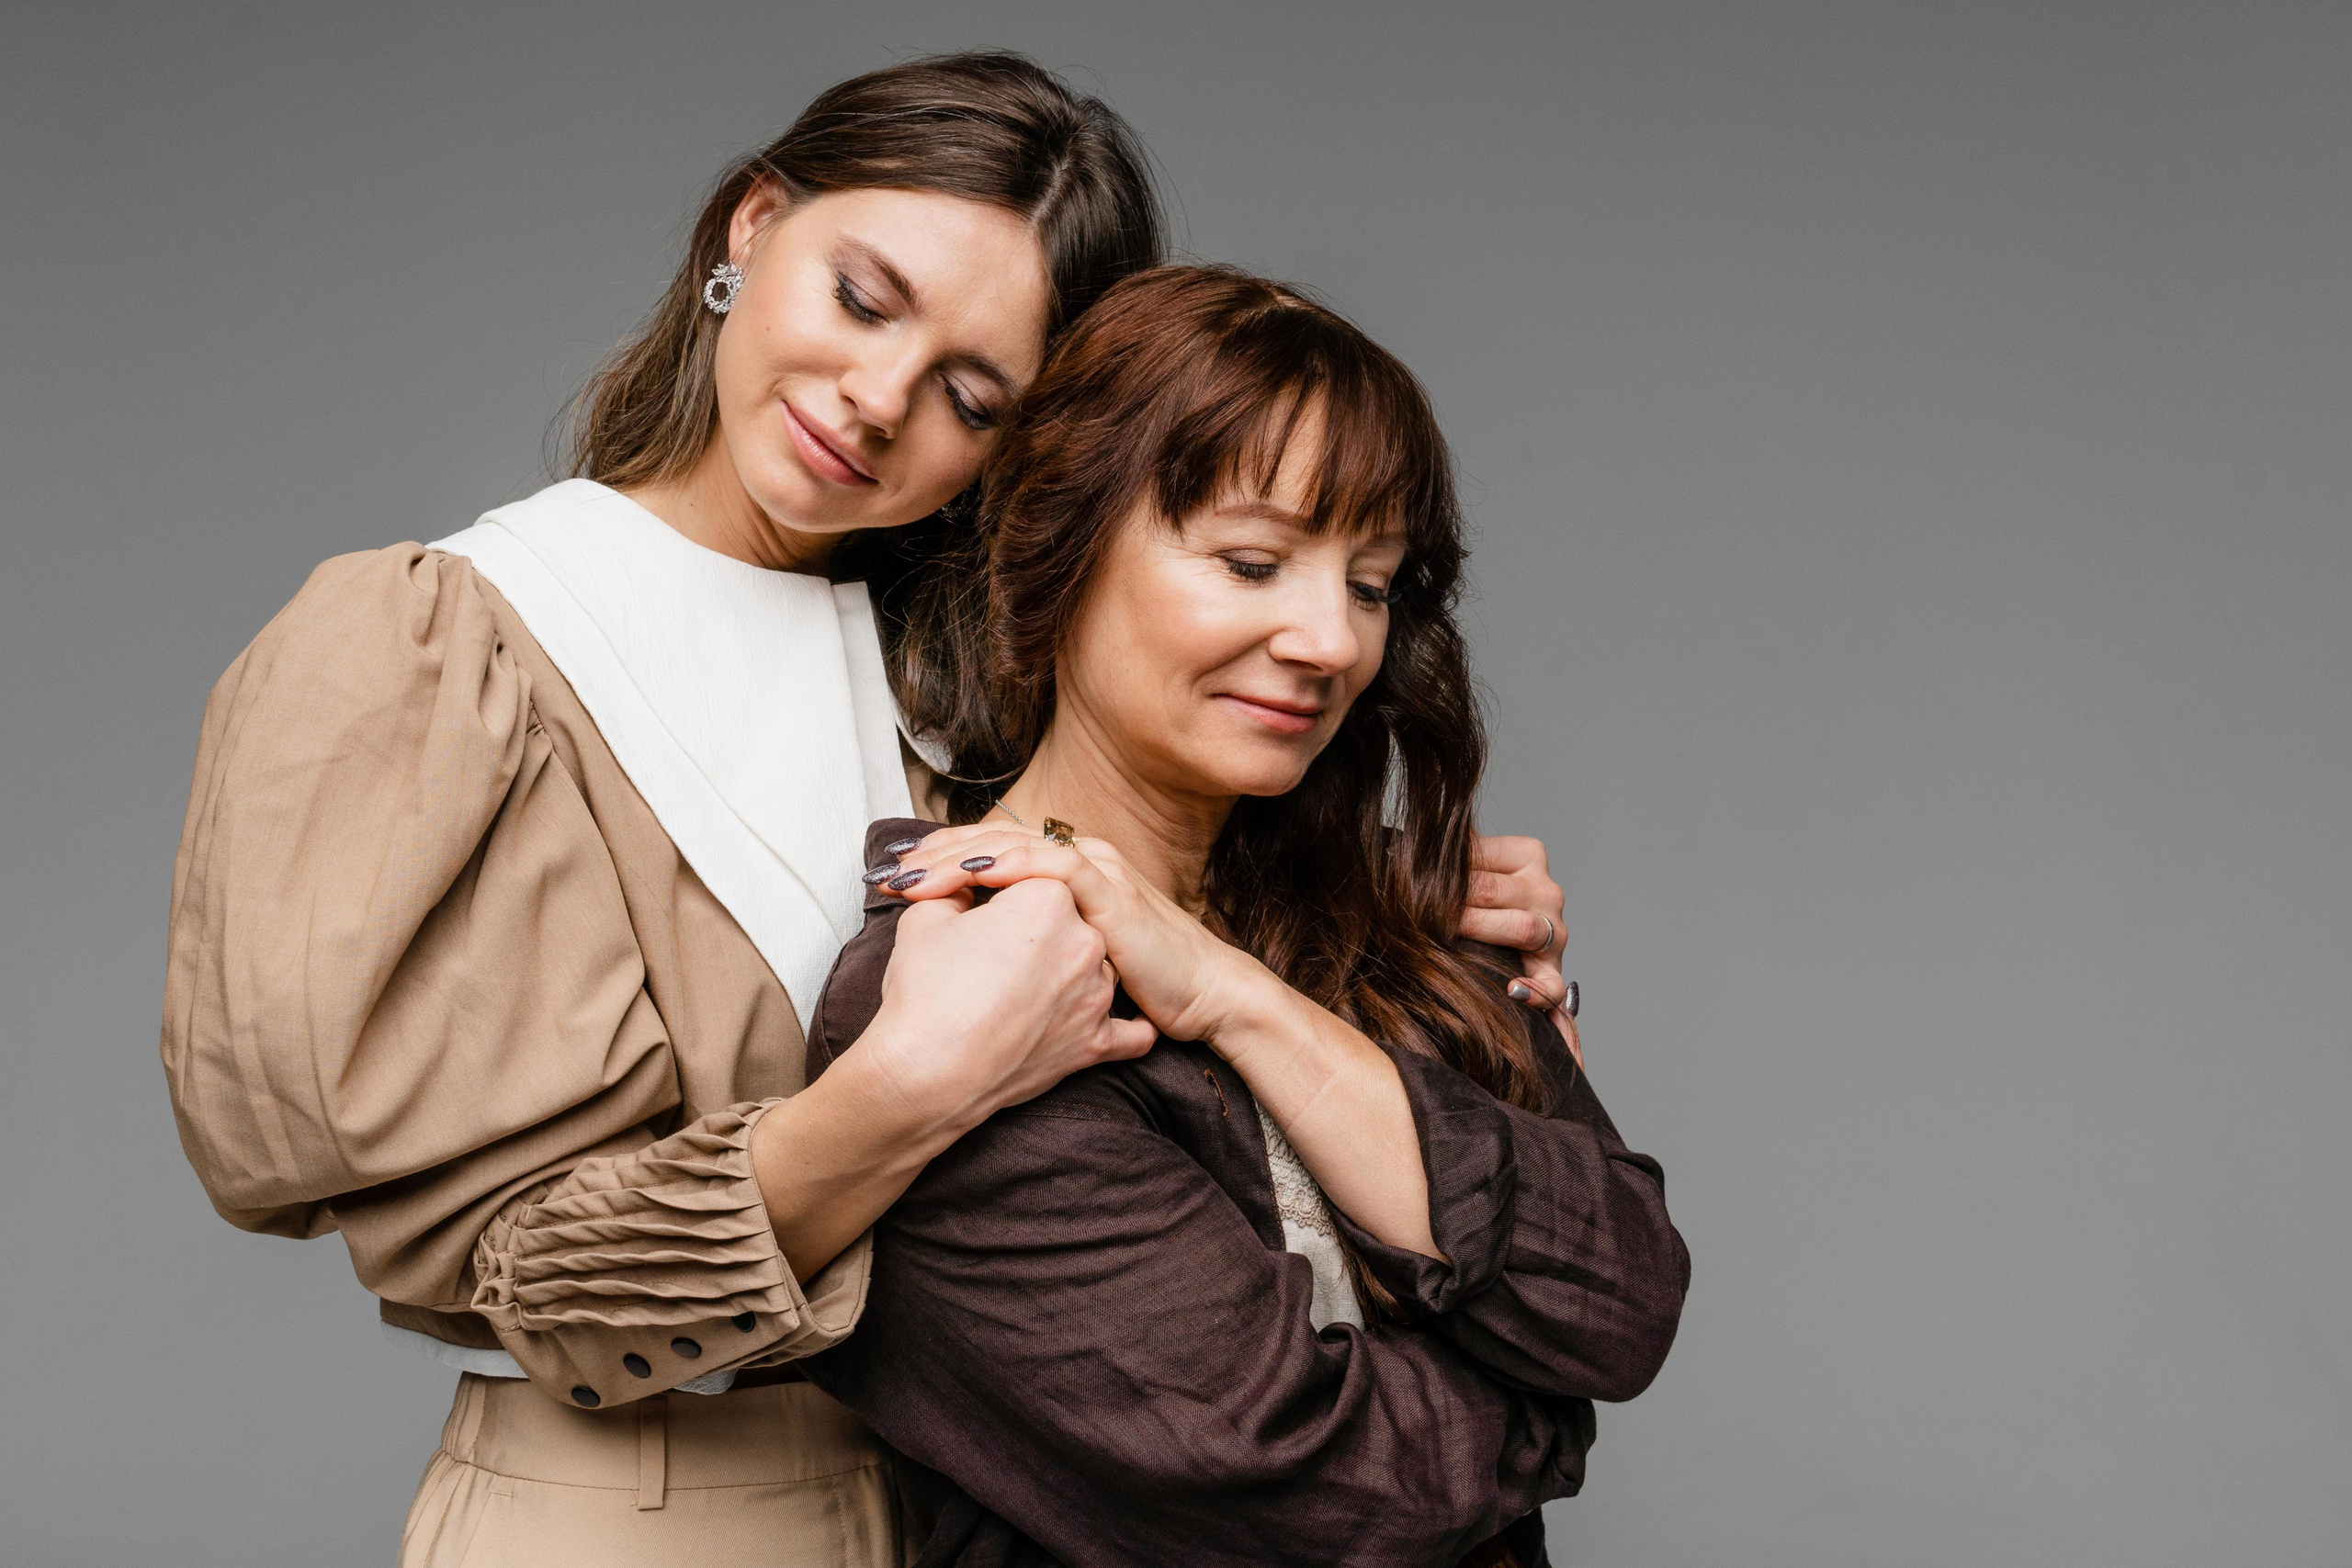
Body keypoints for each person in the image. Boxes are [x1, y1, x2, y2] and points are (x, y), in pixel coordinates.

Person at [158, 52, 1573, 1567]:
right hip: (650, 1506)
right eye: (862, 298)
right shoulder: (449, 646)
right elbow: (507, 1267)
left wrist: (1405, 937)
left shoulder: (960, 695)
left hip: (993, 1498)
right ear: (751, 228)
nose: (880, 401)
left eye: (975, 394)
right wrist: (902, 1097)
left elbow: (1206, 1088)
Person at [799, 265, 1690, 1568]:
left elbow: (1627, 1297)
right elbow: (1306, 1500)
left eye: (1373, 585)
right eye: (1253, 562)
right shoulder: (959, 983)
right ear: (1058, 545)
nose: (1329, 639)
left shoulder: (1404, 915)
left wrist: (1233, 995)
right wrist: (1545, 1412)